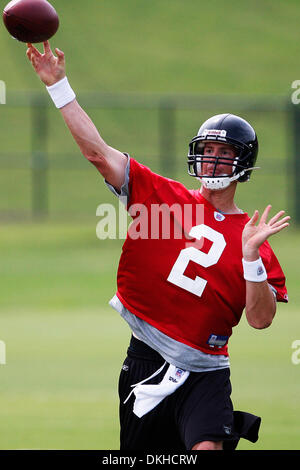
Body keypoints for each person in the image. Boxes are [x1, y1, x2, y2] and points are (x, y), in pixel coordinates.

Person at [26, 41, 289, 451]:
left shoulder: (252, 237)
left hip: (206, 373)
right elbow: (97, 153)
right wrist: (58, 86)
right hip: (146, 358)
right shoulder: (162, 197)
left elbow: (260, 320)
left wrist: (251, 259)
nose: (213, 160)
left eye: (224, 152)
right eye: (207, 150)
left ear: (243, 163)